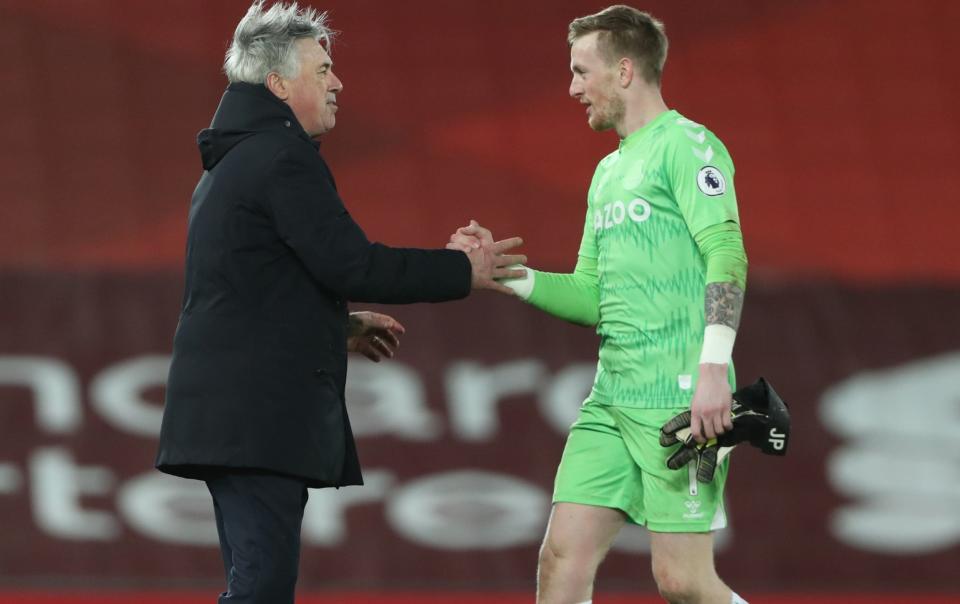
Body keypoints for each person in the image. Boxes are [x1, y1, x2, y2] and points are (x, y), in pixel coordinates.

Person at [154, 2, 524, 603]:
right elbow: (353, 263)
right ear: (278, 84)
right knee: (262, 590)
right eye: (322, 68)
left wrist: (332, 323)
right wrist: (463, 269)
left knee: (258, 586)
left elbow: (248, 288)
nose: (338, 81)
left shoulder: (234, 163)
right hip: (257, 418)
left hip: (233, 414)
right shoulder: (281, 156)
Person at [450, 5, 749, 604]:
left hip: (682, 398)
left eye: (581, 71)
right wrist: (504, 277)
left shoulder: (689, 147)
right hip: (611, 399)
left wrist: (714, 371)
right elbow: (592, 295)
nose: (571, 87)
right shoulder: (608, 172)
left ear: (625, 70)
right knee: (560, 561)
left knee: (683, 582)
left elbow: (727, 255)